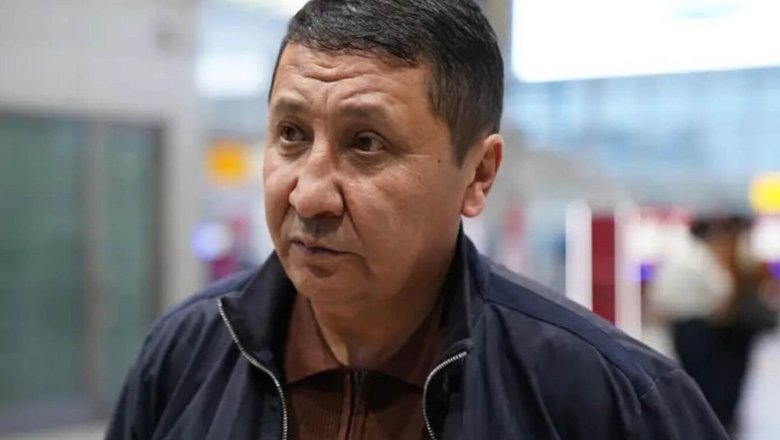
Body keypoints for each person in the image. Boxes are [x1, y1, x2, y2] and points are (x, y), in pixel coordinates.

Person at [107, 1, 728, 438]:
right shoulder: (186, 354)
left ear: (478, 175)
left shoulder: (608, 399)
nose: (310, 195)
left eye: (366, 144)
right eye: (291, 134)